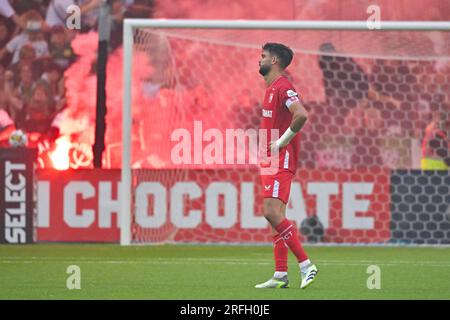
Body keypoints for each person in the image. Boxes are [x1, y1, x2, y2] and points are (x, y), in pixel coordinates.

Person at [254, 43, 318, 289]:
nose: (259, 60)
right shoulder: (270, 88)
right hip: (270, 160)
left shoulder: (283, 86)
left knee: (270, 212)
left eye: (263, 56)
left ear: (274, 61)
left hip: (282, 159)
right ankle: (280, 274)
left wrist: (280, 143)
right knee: (275, 218)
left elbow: (301, 114)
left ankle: (306, 264)